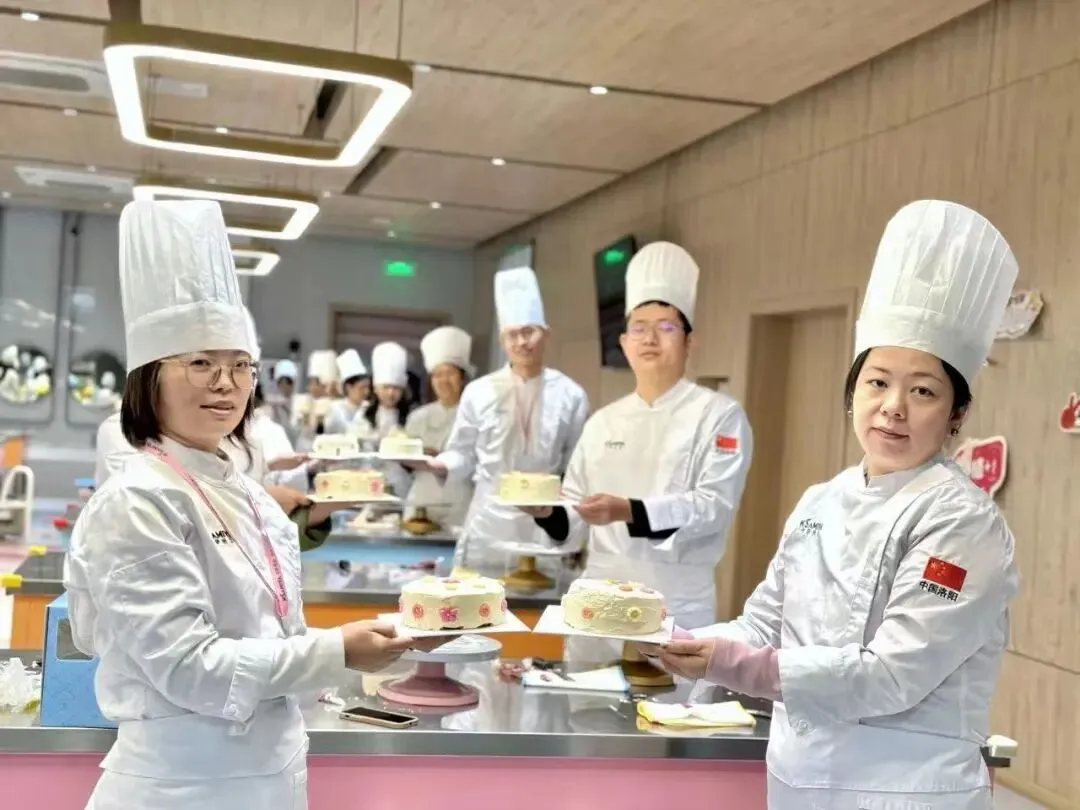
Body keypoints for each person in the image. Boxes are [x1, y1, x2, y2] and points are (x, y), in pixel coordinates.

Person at [655, 200, 1020, 810]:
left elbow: (893, 674)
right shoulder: (820, 501)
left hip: (907, 792)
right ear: (853, 393)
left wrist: (738, 666)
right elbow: (762, 625)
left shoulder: (964, 522)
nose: (893, 406)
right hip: (797, 782)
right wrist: (672, 640)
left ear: (957, 413)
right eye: (877, 382)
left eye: (923, 390)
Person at [64, 200, 420, 810]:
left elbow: (275, 633)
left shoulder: (249, 493)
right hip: (177, 787)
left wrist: (380, 641)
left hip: (272, 775)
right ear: (148, 377)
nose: (225, 384)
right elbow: (189, 668)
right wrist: (338, 651)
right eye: (201, 363)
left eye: (240, 366)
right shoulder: (136, 500)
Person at [527, 242, 753, 660]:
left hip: (674, 604)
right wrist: (545, 511)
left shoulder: (720, 416)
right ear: (624, 342)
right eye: (638, 327)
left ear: (690, 340)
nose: (649, 338)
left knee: (670, 702)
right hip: (596, 605)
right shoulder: (603, 422)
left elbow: (713, 507)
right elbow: (573, 515)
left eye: (666, 326)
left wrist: (628, 510)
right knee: (587, 699)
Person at [424, 266, 590, 570]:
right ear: (503, 341)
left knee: (538, 595)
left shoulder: (571, 394)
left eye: (529, 332)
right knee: (476, 595)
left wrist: (577, 531)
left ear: (546, 334)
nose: (522, 342)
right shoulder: (479, 391)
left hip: (544, 521)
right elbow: (462, 452)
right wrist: (440, 465)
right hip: (488, 519)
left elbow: (576, 469)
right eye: (513, 335)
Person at [403, 325, 475, 527]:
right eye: (437, 375)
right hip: (421, 497)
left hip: (460, 499)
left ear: (462, 377)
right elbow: (404, 456)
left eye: (450, 373)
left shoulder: (475, 414)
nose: (443, 380)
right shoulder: (417, 417)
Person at [322, 350, 371, 434]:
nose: (366, 392)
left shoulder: (369, 408)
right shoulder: (336, 409)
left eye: (367, 387)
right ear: (349, 387)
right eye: (362, 388)